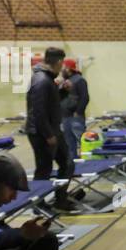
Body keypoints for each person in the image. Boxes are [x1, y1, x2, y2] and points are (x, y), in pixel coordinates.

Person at [24, 46, 76, 211]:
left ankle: (60, 199)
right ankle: (38, 205)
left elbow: (50, 104)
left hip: (52, 130)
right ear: (59, 62)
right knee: (44, 169)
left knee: (67, 163)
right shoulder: (41, 80)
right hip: (42, 133)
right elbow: (38, 112)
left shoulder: (47, 79)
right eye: (63, 64)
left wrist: (63, 92)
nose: (64, 68)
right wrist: (48, 135)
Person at [60, 58, 89, 163]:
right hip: (65, 117)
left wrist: (78, 112)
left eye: (63, 68)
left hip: (75, 117)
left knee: (82, 142)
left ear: (68, 69)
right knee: (69, 143)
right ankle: (74, 165)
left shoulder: (79, 80)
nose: (61, 70)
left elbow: (85, 97)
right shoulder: (65, 81)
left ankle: (89, 163)